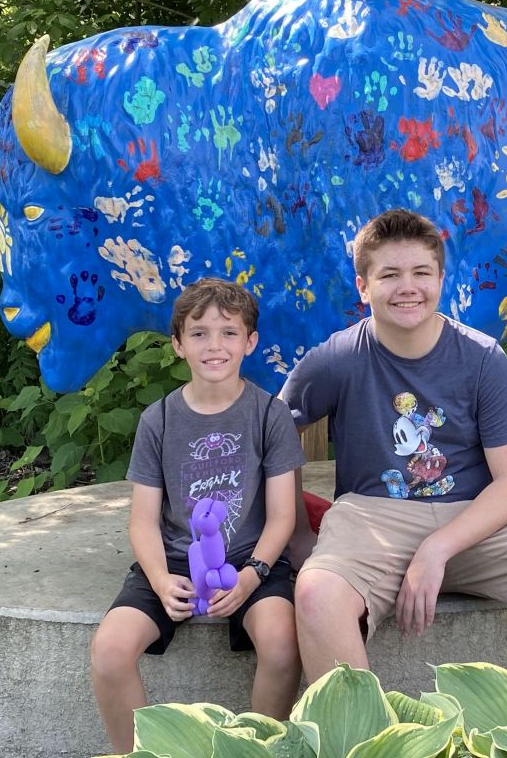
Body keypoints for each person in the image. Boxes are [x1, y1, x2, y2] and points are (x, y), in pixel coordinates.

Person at [280, 208, 507, 682]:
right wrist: (294, 533)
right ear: (363, 286)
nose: (407, 287)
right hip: (374, 518)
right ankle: (363, 739)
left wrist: (436, 549)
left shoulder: (481, 357)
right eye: (389, 274)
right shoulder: (337, 358)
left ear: (440, 279)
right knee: (315, 594)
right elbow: (275, 430)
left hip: (479, 517)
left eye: (420, 273)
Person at [90, 278, 305, 753]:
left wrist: (252, 577)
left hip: (252, 560)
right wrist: (161, 581)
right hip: (170, 562)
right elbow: (142, 521)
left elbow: (282, 517)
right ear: (178, 344)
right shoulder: (159, 420)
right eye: (199, 333)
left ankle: (254, 748)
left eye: (229, 333)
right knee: (109, 650)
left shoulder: (270, 415)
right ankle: (135, 753)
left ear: (250, 342)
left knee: (281, 644)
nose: (214, 345)